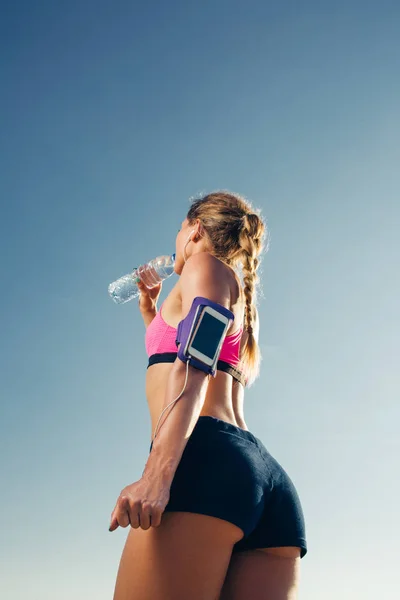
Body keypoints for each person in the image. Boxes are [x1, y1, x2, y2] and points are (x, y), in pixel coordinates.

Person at [110, 191, 307, 600]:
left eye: (180, 229)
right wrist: (150, 310)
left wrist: (157, 476)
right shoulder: (228, 288)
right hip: (260, 480)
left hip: (203, 463)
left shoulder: (204, 266)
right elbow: (181, 348)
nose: (177, 238)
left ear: (195, 229)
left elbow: (194, 361)